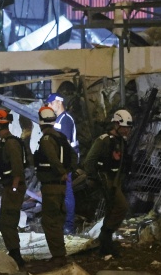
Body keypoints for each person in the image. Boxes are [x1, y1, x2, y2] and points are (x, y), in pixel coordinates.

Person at [83, 109, 133, 257]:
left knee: (112, 210)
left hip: (115, 180)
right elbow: (89, 161)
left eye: (128, 127)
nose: (126, 130)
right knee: (121, 206)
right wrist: (97, 178)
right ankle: (105, 236)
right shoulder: (104, 140)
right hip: (106, 180)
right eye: (124, 127)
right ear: (116, 124)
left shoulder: (121, 141)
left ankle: (105, 243)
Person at [34, 106, 76, 263]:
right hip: (61, 186)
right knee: (57, 219)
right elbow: (74, 156)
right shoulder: (61, 137)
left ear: (41, 122)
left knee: (50, 221)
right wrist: (68, 171)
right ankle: (60, 253)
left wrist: (61, 172)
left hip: (51, 185)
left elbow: (52, 158)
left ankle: (58, 255)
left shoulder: (46, 140)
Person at [0, 109, 27, 268]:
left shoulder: (10, 143)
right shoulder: (6, 142)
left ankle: (16, 255)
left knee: (7, 221)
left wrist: (14, 186)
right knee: (6, 220)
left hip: (13, 186)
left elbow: (17, 167)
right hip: (10, 186)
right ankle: (14, 252)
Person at [47, 93, 78, 234]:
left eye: (51, 103)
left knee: (67, 193)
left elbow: (64, 145)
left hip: (65, 164)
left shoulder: (65, 120)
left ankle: (69, 226)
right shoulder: (59, 119)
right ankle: (63, 224)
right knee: (63, 193)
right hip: (61, 163)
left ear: (59, 102)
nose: (49, 106)